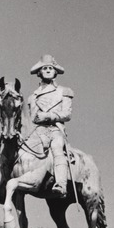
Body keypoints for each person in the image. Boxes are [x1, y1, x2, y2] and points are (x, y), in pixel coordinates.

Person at [27, 54, 74, 197]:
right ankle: (3, 184)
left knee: (57, 149)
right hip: (39, 130)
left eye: (50, 68)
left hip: (55, 129)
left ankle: (61, 184)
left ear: (55, 72)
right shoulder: (33, 96)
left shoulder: (64, 91)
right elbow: (32, 118)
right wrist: (37, 118)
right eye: (44, 68)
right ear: (39, 72)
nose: (47, 70)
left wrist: (48, 116)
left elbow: (67, 114)